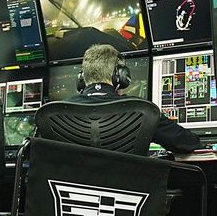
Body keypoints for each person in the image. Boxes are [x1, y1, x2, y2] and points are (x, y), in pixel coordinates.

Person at [66, 44, 201, 154]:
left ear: (82, 79)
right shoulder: (142, 110)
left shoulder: (55, 111)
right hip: (128, 187)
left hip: (65, 188)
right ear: (120, 76)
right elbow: (187, 142)